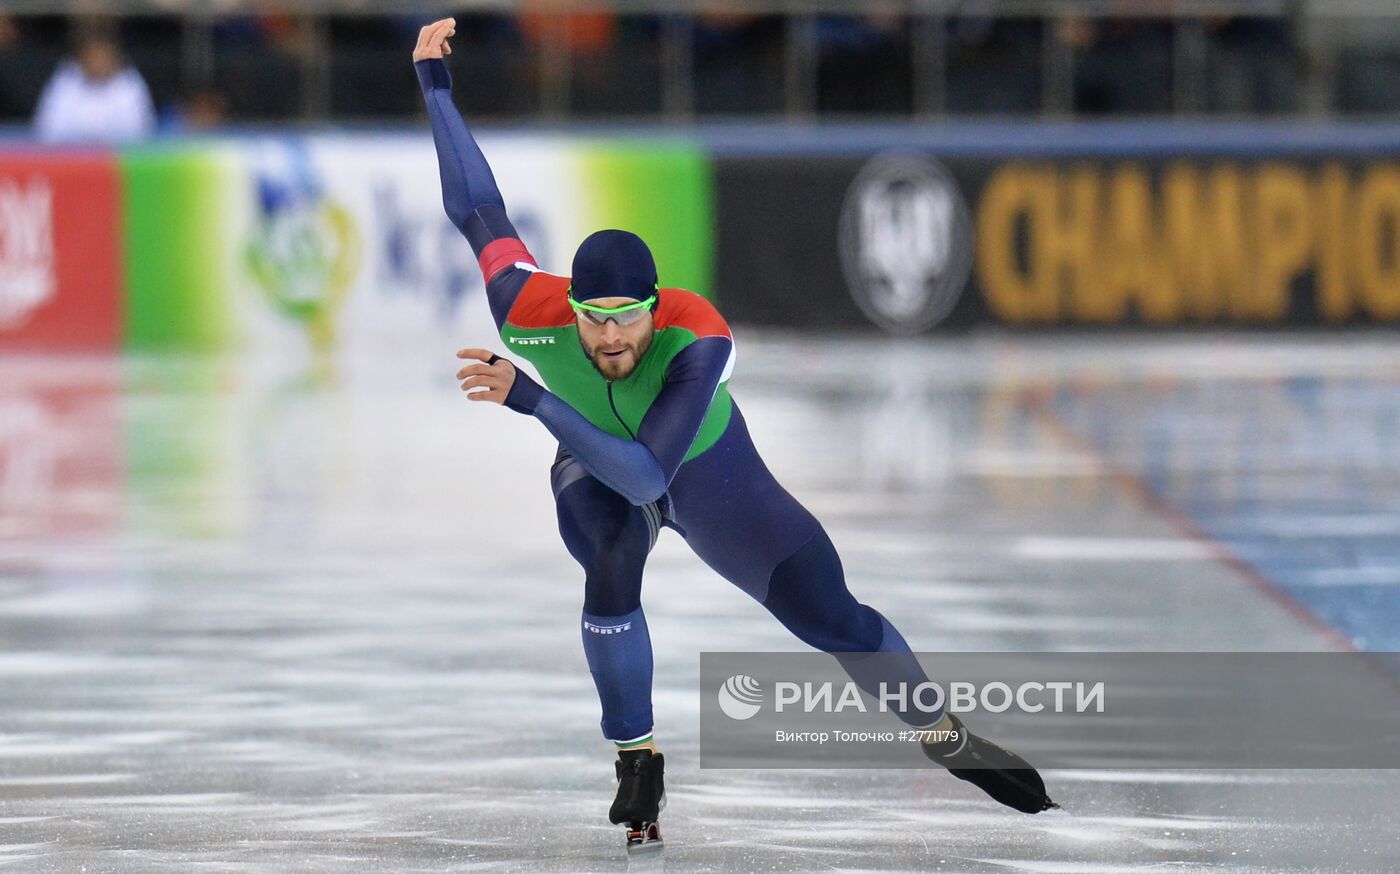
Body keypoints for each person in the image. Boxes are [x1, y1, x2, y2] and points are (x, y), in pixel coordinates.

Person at [411, 18, 1056, 850]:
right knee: (610, 560)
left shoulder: (697, 337)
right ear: (570, 309)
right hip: (595, 461)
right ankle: (635, 757)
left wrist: (532, 402)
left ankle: (945, 737)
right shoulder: (526, 309)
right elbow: (476, 207)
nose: (609, 341)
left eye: (626, 321)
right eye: (593, 323)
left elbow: (652, 477)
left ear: (654, 308)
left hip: (702, 467)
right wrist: (434, 86)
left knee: (837, 622)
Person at [33, 25, 155, 144]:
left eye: (103, 56)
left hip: (118, 157)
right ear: (81, 58)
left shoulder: (129, 85)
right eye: (92, 56)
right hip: (71, 157)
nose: (97, 62)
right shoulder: (65, 81)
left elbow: (140, 132)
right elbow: (48, 129)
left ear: (113, 56)